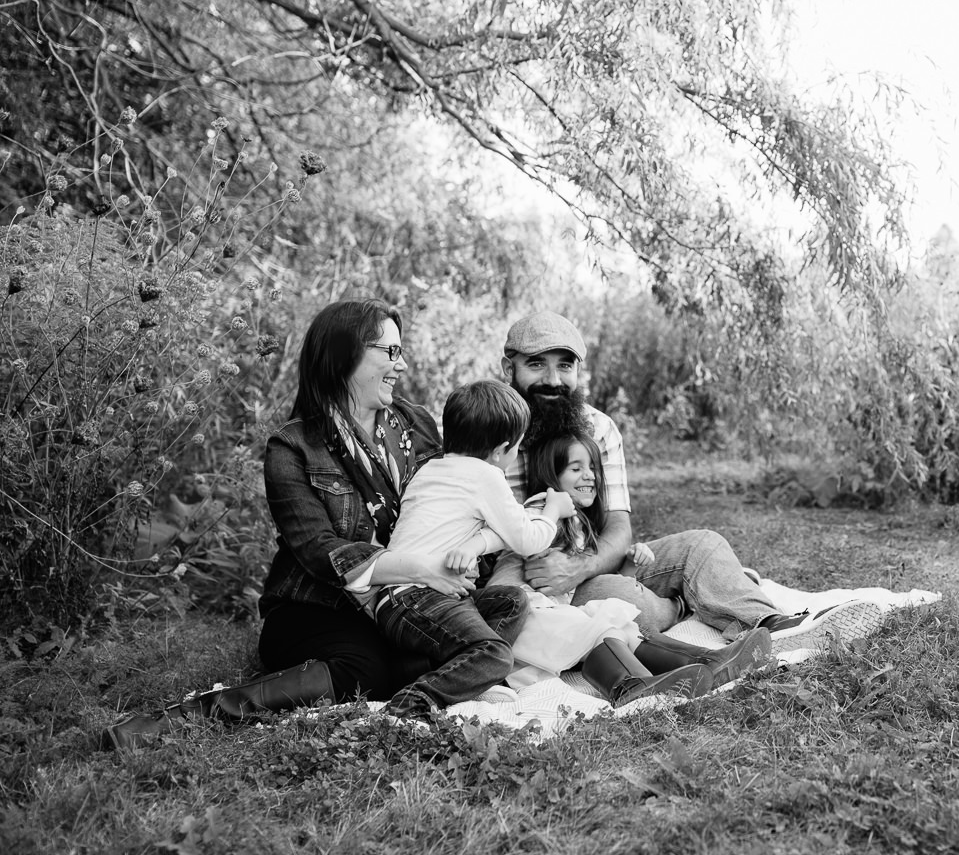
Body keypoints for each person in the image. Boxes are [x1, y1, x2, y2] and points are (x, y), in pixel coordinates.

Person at [104, 299, 455, 750]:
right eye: (389, 352)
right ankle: (174, 722)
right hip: (316, 608)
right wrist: (419, 568)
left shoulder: (416, 424)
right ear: (344, 355)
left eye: (400, 351)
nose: (401, 364)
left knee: (447, 647)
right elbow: (319, 549)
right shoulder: (293, 447)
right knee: (367, 671)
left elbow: (450, 500)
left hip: (401, 602)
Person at [496, 312, 883, 649]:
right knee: (614, 597)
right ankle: (687, 601)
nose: (553, 379)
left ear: (578, 371)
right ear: (507, 368)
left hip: (592, 562)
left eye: (565, 366)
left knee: (703, 545)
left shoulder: (599, 428)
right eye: (536, 364)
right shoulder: (487, 436)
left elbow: (617, 526)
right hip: (530, 587)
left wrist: (581, 567)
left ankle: (772, 626)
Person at [493, 432, 774, 705]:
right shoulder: (542, 508)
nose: (589, 475)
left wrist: (627, 566)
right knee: (599, 626)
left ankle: (707, 662)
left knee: (618, 622)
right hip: (524, 620)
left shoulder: (576, 521)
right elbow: (526, 537)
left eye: (592, 467)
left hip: (550, 615)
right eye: (575, 468)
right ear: (551, 477)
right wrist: (550, 514)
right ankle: (630, 685)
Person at [358, 379, 560, 719]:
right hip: (419, 598)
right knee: (496, 653)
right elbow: (528, 540)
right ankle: (413, 703)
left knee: (511, 599)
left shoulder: (430, 469)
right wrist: (552, 511)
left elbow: (497, 530)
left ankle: (469, 678)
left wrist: (487, 537)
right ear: (501, 449)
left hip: (397, 600)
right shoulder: (486, 476)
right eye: (516, 449)